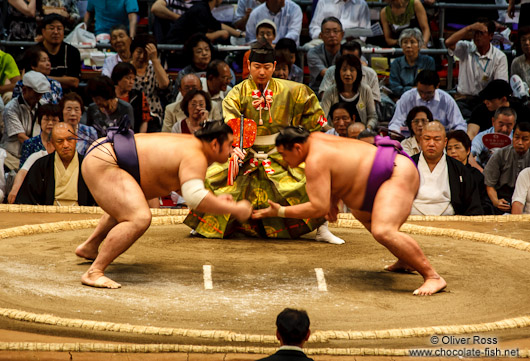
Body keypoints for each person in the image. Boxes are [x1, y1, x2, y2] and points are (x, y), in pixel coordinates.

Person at [253, 126, 447, 295]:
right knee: (361, 213)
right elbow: (342, 164)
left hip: (396, 174)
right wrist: (332, 199)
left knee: (383, 230)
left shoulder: (314, 159)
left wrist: (279, 212)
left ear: (297, 147)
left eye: (284, 155)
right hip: (382, 176)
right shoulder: (316, 138)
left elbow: (317, 207)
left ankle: (433, 276)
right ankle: (406, 260)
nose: (284, 161)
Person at [184, 41, 344, 245]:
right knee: (210, 177)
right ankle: (204, 226)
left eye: (267, 67)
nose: (262, 72)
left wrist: (300, 141)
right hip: (245, 150)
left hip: (282, 152)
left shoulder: (294, 91)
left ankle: (322, 228)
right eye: (257, 67)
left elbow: (313, 120)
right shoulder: (237, 93)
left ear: (274, 66)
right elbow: (232, 121)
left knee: (313, 179)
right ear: (249, 66)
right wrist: (238, 148)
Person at [75, 121, 253, 288]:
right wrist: (234, 208)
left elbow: (184, 187)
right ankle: (94, 272)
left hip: (106, 154)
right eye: (230, 144)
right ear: (215, 144)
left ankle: (89, 247)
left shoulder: (192, 145)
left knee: (127, 204)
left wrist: (215, 200)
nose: (232, 150)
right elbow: (194, 197)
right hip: (107, 162)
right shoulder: (196, 154)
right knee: (139, 217)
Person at [410, 121, 483, 216]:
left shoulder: (459, 168)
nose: (431, 143)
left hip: (450, 221)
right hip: (411, 219)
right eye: (427, 139)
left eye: (437, 139)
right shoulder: (408, 164)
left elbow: (473, 205)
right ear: (420, 140)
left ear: (445, 142)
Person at [15, 122, 95, 206]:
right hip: (49, 215)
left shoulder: (87, 165)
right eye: (60, 141)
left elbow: (98, 198)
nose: (65, 145)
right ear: (52, 143)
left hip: (82, 215)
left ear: (76, 139)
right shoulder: (41, 165)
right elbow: (26, 198)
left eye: (69, 139)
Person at [445, 18, 509, 120]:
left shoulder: (499, 57)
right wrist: (469, 28)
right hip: (463, 100)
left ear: (491, 36)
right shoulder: (466, 48)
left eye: (481, 33)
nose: (477, 36)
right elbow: (449, 42)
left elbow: (500, 86)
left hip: (485, 102)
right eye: (475, 32)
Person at [389, 70, 466, 135]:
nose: (423, 96)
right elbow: (396, 123)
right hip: (410, 140)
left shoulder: (447, 100)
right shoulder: (407, 97)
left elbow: (460, 125)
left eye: (428, 93)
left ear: (437, 86)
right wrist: (395, 133)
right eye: (420, 91)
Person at [0, 71, 50, 171]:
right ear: (24, 90)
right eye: (35, 94)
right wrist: (43, 150)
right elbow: (21, 137)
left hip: (37, 152)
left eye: (40, 94)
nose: (38, 98)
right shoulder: (11, 108)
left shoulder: (43, 104)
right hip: (13, 156)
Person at [320, 54, 378, 130]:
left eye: (352, 70)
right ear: (338, 72)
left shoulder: (366, 90)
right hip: (335, 136)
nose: (347, 74)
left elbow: (373, 117)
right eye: (344, 70)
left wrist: (366, 129)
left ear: (358, 72)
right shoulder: (330, 91)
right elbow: (321, 119)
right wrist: (331, 131)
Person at [484, 122, 530, 214]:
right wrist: (496, 201)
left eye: (525, 139)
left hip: (525, 197)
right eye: (516, 137)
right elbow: (489, 185)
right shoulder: (500, 154)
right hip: (502, 196)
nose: (520, 142)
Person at [447, 130, 493, 214]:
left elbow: (484, 204)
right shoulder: (444, 173)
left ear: (468, 150)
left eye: (457, 147)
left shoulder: (476, 175)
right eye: (449, 148)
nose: (453, 151)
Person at [129, 34, 170, 131]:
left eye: (146, 53)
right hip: (131, 114)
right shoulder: (125, 70)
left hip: (153, 116)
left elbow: (164, 85)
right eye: (139, 52)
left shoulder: (154, 69)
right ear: (133, 51)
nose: (142, 56)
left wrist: (154, 59)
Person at [166, 0, 243, 44]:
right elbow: (200, 36)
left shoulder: (204, 8)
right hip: (176, 47)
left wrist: (240, 34)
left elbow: (219, 25)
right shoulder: (201, 10)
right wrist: (219, 33)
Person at [37, 14, 82, 90]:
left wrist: (45, 78)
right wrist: (64, 79)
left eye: (59, 28)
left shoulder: (73, 52)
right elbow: (32, 81)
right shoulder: (34, 52)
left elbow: (74, 82)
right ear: (43, 31)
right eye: (51, 28)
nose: (56, 32)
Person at [389, 28, 435, 97]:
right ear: (401, 45)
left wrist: (412, 90)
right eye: (405, 42)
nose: (408, 46)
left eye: (412, 42)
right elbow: (395, 88)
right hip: (402, 98)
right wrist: (412, 89)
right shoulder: (396, 63)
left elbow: (430, 85)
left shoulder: (428, 61)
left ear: (419, 45)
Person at [112, 62, 151, 134]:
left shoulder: (139, 96)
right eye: (128, 78)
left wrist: (139, 137)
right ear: (118, 78)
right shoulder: (110, 96)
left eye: (133, 79)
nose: (131, 82)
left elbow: (144, 121)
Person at [307, 17, 343, 93]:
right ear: (321, 35)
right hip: (318, 92)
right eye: (327, 32)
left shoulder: (348, 50)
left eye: (335, 31)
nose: (332, 35)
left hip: (343, 92)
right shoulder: (313, 53)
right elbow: (327, 74)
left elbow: (363, 64)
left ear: (342, 34)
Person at [19, 103, 60, 168]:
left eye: (54, 120)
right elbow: (23, 168)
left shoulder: (62, 144)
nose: (50, 123)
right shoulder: (29, 144)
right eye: (46, 119)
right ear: (39, 121)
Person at [510, 26, 530, 95]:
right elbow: (514, 87)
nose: (527, 43)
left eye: (529, 39)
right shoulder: (516, 62)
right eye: (523, 40)